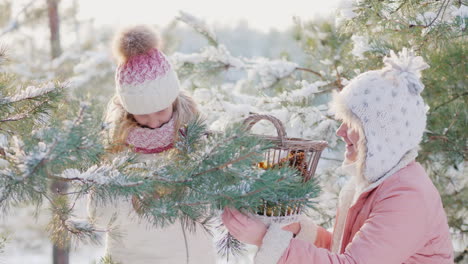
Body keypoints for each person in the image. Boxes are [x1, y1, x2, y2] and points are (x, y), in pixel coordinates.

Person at [221, 49, 454, 263]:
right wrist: (296, 231)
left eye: (351, 123)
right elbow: (346, 250)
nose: (340, 132)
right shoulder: (379, 183)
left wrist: (266, 239)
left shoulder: (407, 196)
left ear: (381, 136)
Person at [87, 25, 216, 264]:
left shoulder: (197, 138)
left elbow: (211, 207)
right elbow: (100, 217)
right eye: (142, 115)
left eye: (160, 110)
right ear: (128, 111)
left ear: (173, 99)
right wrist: (129, 191)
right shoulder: (117, 150)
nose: (154, 122)